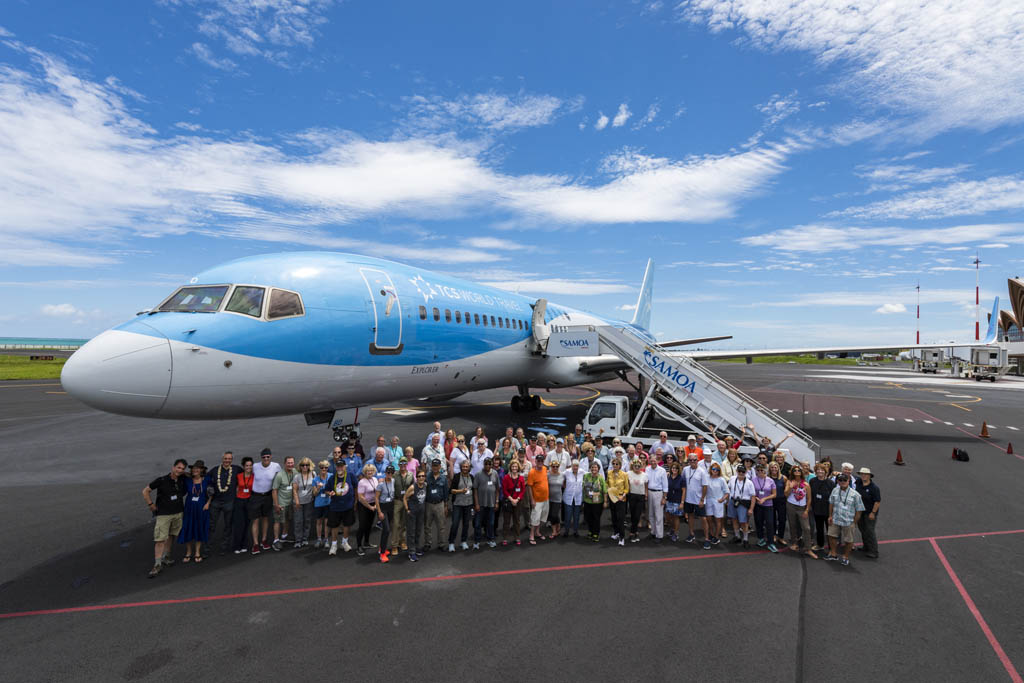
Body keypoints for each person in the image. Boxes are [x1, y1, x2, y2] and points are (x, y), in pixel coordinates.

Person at [143, 458, 187, 577]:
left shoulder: (182, 478)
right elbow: (145, 491)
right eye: (178, 467)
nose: (180, 470)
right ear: (173, 467)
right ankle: (157, 564)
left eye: (182, 469)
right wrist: (151, 505)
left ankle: (166, 557)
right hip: (164, 514)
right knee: (160, 539)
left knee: (172, 535)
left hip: (178, 513)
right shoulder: (162, 480)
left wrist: (186, 473)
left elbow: (194, 474)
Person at [205, 451, 241, 556]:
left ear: (232, 460)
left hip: (229, 502)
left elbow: (246, 475)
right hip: (216, 502)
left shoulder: (236, 469)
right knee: (211, 526)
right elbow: (205, 479)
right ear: (222, 459)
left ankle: (224, 547)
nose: (227, 460)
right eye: (225, 458)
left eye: (229, 459)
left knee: (228, 526)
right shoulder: (215, 470)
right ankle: (207, 549)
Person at [827, 473, 865, 566]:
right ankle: (833, 553)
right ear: (838, 481)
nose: (842, 482)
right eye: (840, 480)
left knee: (848, 540)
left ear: (849, 481)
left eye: (845, 480)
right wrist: (830, 516)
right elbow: (831, 503)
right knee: (831, 536)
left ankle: (845, 557)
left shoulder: (855, 495)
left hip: (848, 521)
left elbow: (859, 510)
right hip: (835, 518)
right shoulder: (835, 490)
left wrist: (854, 522)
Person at [177, 460, 210, 564]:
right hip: (189, 507)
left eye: (198, 468)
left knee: (199, 528)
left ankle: (197, 552)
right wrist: (187, 473)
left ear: (202, 470)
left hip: (202, 507)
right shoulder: (188, 480)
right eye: (194, 468)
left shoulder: (207, 480)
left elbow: (212, 492)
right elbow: (179, 472)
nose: (195, 470)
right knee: (187, 527)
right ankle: (188, 552)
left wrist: (208, 503)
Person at [250, 448, 281, 553]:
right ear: (261, 458)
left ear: (271, 457)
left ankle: (264, 540)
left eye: (268, 457)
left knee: (265, 519)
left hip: (268, 496)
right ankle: (255, 544)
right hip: (256, 496)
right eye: (264, 457)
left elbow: (280, 478)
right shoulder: (255, 466)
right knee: (255, 520)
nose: (266, 459)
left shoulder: (276, 466)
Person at [784, 465, 817, 558]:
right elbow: (786, 494)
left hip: (802, 508)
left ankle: (808, 549)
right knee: (792, 525)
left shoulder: (806, 484)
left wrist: (807, 510)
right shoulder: (789, 482)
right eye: (795, 470)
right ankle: (794, 543)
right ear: (792, 472)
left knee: (806, 528)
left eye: (799, 470)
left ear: (801, 473)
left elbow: (809, 499)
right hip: (791, 506)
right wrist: (790, 487)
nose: (797, 471)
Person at [325, 459, 356, 555]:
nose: (340, 468)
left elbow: (356, 487)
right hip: (335, 507)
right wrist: (329, 493)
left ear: (345, 467)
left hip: (348, 506)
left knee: (347, 525)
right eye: (338, 466)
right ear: (336, 467)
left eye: (341, 466)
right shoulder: (332, 478)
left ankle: (344, 542)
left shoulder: (350, 475)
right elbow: (326, 490)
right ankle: (334, 545)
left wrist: (356, 501)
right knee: (334, 526)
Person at [682, 452, 709, 547]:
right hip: (688, 499)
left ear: (697, 460)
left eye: (694, 460)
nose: (692, 462)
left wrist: (702, 499)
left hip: (699, 500)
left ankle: (706, 538)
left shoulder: (702, 471)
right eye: (690, 460)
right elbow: (683, 483)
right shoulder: (685, 469)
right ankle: (691, 534)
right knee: (690, 516)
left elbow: (705, 486)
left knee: (703, 519)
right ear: (688, 461)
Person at [473, 457, 500, 549]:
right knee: (477, 524)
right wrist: (476, 504)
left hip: (492, 504)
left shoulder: (495, 473)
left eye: (489, 464)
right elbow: (475, 489)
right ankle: (477, 541)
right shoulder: (478, 474)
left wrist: (496, 502)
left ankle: (490, 540)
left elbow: (497, 489)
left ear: (492, 464)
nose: (488, 466)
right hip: (480, 504)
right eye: (486, 464)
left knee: (491, 523)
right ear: (483, 464)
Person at [424, 459, 450, 551]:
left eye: (437, 466)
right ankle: (427, 543)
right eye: (433, 466)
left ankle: (441, 544)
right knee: (427, 525)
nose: (435, 467)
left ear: (440, 467)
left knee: (441, 526)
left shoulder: (443, 478)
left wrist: (446, 506)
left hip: (440, 504)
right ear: (431, 466)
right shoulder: (426, 477)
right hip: (428, 504)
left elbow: (446, 493)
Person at [448, 460, 475, 551]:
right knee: (455, 523)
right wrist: (461, 491)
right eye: (463, 466)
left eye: (466, 467)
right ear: (461, 467)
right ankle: (451, 542)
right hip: (457, 504)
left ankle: (463, 541)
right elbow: (451, 491)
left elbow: (473, 490)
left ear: (469, 468)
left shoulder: (471, 477)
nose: (465, 468)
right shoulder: (456, 477)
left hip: (468, 504)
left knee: (466, 524)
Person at [855, 467, 881, 559]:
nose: (863, 476)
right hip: (860, 511)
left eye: (865, 474)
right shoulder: (858, 482)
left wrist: (873, 513)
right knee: (862, 529)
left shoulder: (874, 488)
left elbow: (877, 502)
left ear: (869, 476)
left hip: (869, 513)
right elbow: (849, 476)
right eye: (861, 474)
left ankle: (874, 551)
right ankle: (866, 546)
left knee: (870, 531)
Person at [271, 456, 296, 550]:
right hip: (281, 503)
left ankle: (284, 536)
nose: (290, 464)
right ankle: (276, 540)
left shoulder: (295, 472)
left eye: (292, 462)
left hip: (290, 502)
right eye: (288, 463)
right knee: (278, 521)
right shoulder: (279, 475)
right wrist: (276, 504)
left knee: (288, 519)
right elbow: (274, 490)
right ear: (284, 463)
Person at [808, 462, 835, 552]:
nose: (820, 471)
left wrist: (832, 512)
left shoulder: (830, 483)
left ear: (825, 472)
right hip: (817, 510)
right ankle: (820, 545)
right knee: (819, 529)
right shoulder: (812, 481)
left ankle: (832, 548)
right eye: (818, 470)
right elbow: (810, 494)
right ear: (815, 471)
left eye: (822, 470)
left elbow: (833, 497)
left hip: (828, 511)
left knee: (830, 530)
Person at [727, 465, 755, 548]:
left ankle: (745, 539)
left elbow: (753, 496)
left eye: (743, 472)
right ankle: (737, 536)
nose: (741, 473)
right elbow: (728, 489)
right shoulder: (732, 479)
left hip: (743, 503)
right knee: (734, 519)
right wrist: (727, 500)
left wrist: (751, 509)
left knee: (744, 522)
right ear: (737, 471)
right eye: (739, 471)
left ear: (746, 472)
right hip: (733, 501)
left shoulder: (749, 483)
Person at [752, 462, 778, 552]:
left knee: (770, 523)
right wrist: (757, 498)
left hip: (768, 505)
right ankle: (761, 539)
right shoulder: (753, 480)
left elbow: (774, 494)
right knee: (758, 522)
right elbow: (752, 493)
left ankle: (771, 543)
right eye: (758, 470)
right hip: (758, 505)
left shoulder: (770, 480)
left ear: (765, 471)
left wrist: (765, 499)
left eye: (761, 470)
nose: (760, 472)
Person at [391, 457, 414, 554]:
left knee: (404, 523)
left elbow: (413, 487)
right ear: (399, 465)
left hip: (407, 501)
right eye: (401, 463)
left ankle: (402, 541)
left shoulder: (410, 475)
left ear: (406, 464)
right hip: (397, 501)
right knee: (396, 524)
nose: (403, 465)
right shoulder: (394, 475)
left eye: (405, 463)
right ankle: (394, 545)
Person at [292, 457, 316, 548]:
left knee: (307, 520)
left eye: (307, 465)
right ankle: (298, 540)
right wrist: (297, 501)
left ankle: (305, 538)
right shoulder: (297, 476)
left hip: (309, 502)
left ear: (310, 466)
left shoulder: (313, 474)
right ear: (300, 466)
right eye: (303, 465)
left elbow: (314, 486)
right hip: (298, 502)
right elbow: (294, 490)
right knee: (298, 521)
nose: (305, 467)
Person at [355, 463, 379, 556]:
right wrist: (370, 507)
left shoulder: (375, 479)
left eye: (371, 471)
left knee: (369, 525)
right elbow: (361, 497)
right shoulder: (361, 482)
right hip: (364, 506)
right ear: (365, 472)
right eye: (368, 471)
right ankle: (359, 546)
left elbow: (377, 493)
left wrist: (376, 505)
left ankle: (366, 542)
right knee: (362, 526)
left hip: (374, 505)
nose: (370, 472)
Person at [702, 462, 728, 548]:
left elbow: (727, 492)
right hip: (709, 501)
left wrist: (722, 499)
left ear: (719, 471)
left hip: (718, 502)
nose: (715, 471)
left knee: (718, 520)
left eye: (717, 470)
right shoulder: (707, 478)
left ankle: (716, 536)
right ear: (711, 470)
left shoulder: (721, 479)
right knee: (709, 519)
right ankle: (712, 534)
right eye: (713, 469)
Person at [232, 457, 254, 554]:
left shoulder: (254, 476)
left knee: (247, 524)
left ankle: (244, 544)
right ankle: (237, 545)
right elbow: (235, 488)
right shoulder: (239, 476)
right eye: (246, 465)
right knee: (239, 524)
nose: (248, 467)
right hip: (239, 500)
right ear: (243, 466)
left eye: (250, 465)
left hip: (249, 501)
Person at [501, 459, 526, 546]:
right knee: (506, 521)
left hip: (518, 502)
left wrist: (517, 499)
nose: (514, 468)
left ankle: (517, 537)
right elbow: (504, 490)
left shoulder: (521, 478)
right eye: (513, 466)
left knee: (517, 521)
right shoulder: (506, 477)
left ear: (518, 467)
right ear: (510, 467)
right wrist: (512, 499)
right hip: (508, 501)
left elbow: (523, 490)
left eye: (516, 466)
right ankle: (505, 538)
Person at [404, 470, 427, 561]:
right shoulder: (412, 487)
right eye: (419, 476)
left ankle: (417, 548)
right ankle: (411, 552)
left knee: (418, 531)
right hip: (412, 513)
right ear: (416, 478)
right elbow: (405, 498)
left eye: (423, 476)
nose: (421, 478)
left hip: (421, 512)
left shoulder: (425, 485)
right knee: (411, 532)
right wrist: (407, 509)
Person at [582, 460, 607, 542]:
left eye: (595, 467)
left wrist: (605, 502)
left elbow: (604, 491)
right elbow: (583, 487)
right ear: (590, 468)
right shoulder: (586, 476)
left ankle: (596, 533)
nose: (594, 469)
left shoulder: (601, 478)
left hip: (597, 502)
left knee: (596, 518)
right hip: (587, 501)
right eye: (592, 467)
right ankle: (590, 531)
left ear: (598, 469)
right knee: (588, 518)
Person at [526, 456, 549, 545]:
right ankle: (531, 535)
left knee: (542, 518)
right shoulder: (532, 472)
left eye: (541, 461)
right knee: (535, 518)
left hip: (546, 498)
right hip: (537, 500)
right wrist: (532, 500)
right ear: (535, 461)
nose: (540, 462)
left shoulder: (544, 469)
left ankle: (537, 532)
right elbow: (529, 486)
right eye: (538, 460)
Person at [376, 465, 396, 563]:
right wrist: (379, 512)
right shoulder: (380, 484)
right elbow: (376, 498)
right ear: (385, 473)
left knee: (387, 530)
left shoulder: (393, 481)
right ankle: (382, 554)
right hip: (383, 507)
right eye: (388, 472)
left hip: (390, 506)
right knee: (387, 530)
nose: (389, 474)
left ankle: (381, 547)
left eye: (391, 473)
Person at [606, 457, 629, 544]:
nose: (615, 465)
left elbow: (627, 488)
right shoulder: (609, 473)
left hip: (621, 498)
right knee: (614, 517)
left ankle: (622, 537)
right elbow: (607, 483)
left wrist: (622, 496)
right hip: (612, 497)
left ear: (620, 465)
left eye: (617, 464)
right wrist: (608, 490)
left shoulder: (624, 474)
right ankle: (616, 532)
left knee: (621, 518)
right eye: (613, 464)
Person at [646, 455, 668, 543]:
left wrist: (664, 497)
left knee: (658, 515)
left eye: (654, 461)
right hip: (650, 492)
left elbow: (665, 486)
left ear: (657, 461)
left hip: (659, 493)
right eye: (651, 461)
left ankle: (659, 535)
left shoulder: (662, 471)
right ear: (649, 461)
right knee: (651, 514)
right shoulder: (647, 469)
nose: (653, 462)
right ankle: (653, 532)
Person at [312, 460, 331, 549]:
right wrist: (318, 487)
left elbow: (333, 488)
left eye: (326, 467)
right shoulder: (315, 479)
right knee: (319, 522)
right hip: (319, 503)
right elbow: (314, 494)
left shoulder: (331, 476)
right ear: (319, 468)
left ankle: (326, 539)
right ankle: (319, 539)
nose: (324, 469)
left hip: (328, 503)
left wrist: (330, 492)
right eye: (322, 467)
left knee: (327, 522)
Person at [563, 459, 584, 538]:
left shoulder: (582, 472)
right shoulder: (567, 472)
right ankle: (566, 531)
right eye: (574, 466)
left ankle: (576, 531)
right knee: (568, 515)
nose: (575, 467)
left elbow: (591, 474)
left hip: (578, 497)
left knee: (577, 516)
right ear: (571, 466)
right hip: (568, 497)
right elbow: (559, 475)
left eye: (577, 466)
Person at [768, 461, 787, 548]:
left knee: (782, 519)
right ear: (769, 469)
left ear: (778, 468)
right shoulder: (767, 478)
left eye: (775, 467)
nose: (774, 469)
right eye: (772, 467)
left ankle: (781, 537)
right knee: (772, 520)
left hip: (781, 501)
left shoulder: (783, 478)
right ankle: (774, 535)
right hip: (771, 501)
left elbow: (786, 491)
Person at [665, 461, 685, 542]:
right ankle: (672, 529)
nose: (674, 469)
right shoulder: (668, 477)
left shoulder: (681, 479)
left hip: (677, 501)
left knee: (676, 517)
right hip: (669, 500)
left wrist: (682, 502)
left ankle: (676, 533)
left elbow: (684, 491)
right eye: (673, 468)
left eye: (676, 468)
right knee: (668, 517)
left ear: (678, 469)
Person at [546, 460, 565, 539]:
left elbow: (565, 485)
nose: (555, 468)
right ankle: (556, 528)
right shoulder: (548, 475)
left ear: (559, 467)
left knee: (554, 514)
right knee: (551, 515)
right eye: (553, 466)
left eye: (557, 466)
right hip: (549, 498)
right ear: (551, 467)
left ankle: (556, 529)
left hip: (558, 498)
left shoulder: (562, 475)